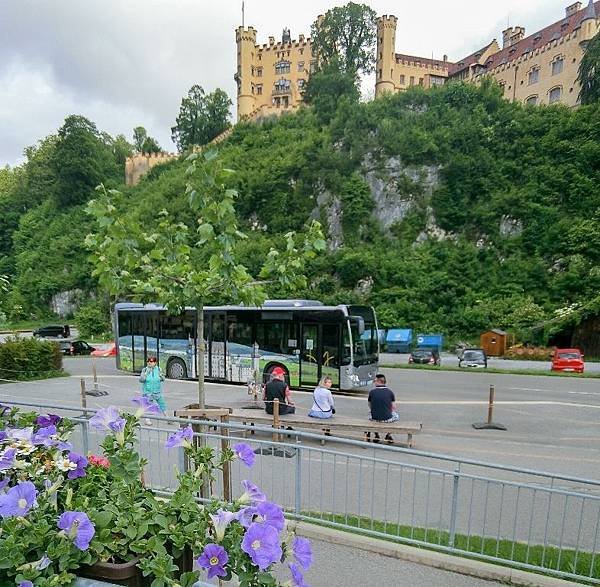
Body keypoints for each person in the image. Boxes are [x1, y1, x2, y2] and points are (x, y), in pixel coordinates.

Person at [367, 373, 397, 443]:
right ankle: (388, 435)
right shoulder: (390, 392)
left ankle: (376, 434)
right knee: (396, 416)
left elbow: (369, 405)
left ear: (378, 381)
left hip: (374, 418)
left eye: (375, 381)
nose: (374, 382)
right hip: (387, 418)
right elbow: (393, 407)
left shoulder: (372, 392)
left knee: (369, 415)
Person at [139, 356, 166, 423]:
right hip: (148, 392)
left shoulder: (158, 369)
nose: (149, 363)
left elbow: (163, 379)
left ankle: (167, 417)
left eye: (151, 361)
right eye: (148, 361)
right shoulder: (145, 370)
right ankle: (147, 419)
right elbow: (141, 380)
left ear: (155, 362)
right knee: (149, 405)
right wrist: (146, 374)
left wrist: (161, 376)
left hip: (157, 391)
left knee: (162, 404)